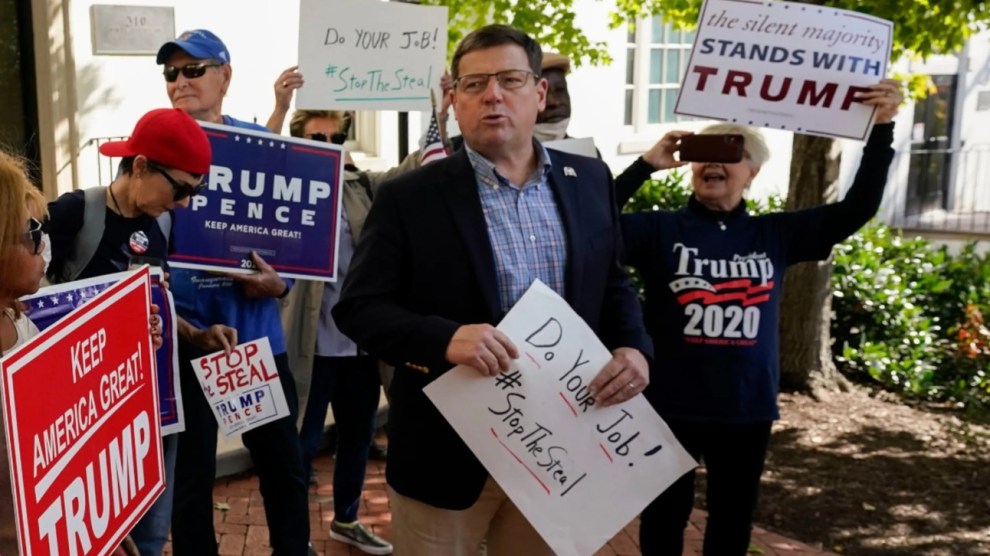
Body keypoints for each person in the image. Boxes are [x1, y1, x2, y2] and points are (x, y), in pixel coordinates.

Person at [332, 24, 653, 555]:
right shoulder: (409, 196)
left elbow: (612, 282)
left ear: (539, 93)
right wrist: (442, 338)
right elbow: (359, 309)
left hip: (564, 450)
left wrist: (635, 349)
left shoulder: (591, 179)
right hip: (445, 456)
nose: (493, 95)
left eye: (509, 79)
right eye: (475, 84)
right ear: (454, 100)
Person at [618, 79, 904, 555]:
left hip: (745, 408)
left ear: (751, 172)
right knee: (664, 519)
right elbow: (588, 223)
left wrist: (883, 129)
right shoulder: (658, 228)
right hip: (670, 405)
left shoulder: (774, 234)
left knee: (732, 521)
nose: (715, 162)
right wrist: (645, 166)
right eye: (705, 152)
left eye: (731, 153)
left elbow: (858, 209)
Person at [155, 29, 311, 556]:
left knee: (283, 469)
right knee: (190, 478)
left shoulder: (255, 144)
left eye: (193, 70)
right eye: (171, 73)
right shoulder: (147, 151)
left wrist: (280, 283)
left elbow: (290, 239)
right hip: (188, 342)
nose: (180, 81)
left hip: (252, 342)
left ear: (225, 75)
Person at [45, 106, 216, 556]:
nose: (184, 203)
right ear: (140, 166)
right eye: (180, 188)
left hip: (150, 405)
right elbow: (25, 299)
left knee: (150, 537)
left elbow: (154, 300)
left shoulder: (161, 221)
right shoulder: (73, 213)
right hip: (85, 414)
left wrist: (194, 335)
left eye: (195, 191)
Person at [279, 109, 393, 555]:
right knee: (301, 446)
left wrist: (439, 111)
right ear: (300, 142)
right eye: (317, 137)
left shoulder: (361, 185)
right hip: (312, 343)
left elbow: (417, 167)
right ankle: (296, 535)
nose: (328, 142)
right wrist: (278, 103)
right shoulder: (286, 194)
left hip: (359, 343)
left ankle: (346, 518)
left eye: (335, 135)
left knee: (359, 436)